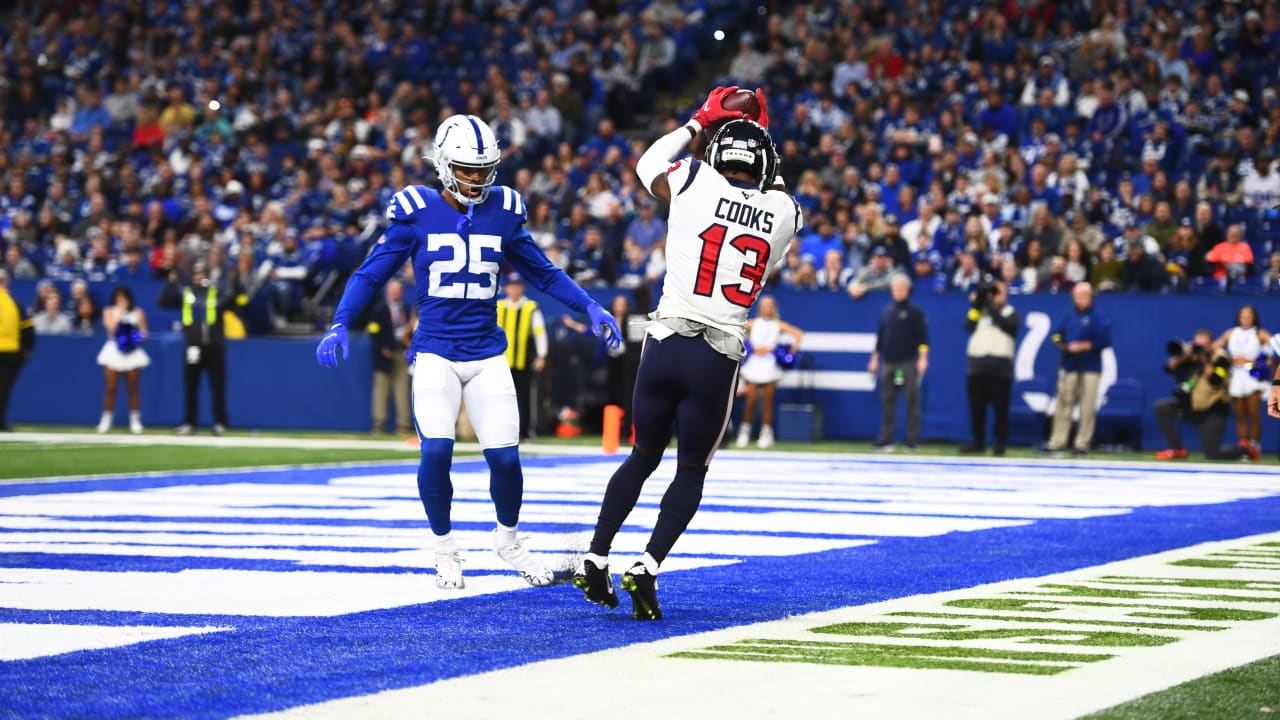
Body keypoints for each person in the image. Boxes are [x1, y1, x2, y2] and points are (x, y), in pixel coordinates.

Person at [315, 113, 622, 590]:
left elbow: (542, 272)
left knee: (506, 459)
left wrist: (590, 306)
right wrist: (339, 322)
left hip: (486, 353)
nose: (477, 179)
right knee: (436, 453)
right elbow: (370, 273)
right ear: (442, 164)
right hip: (436, 351)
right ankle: (445, 549)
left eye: (484, 169)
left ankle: (509, 542)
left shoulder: (505, 209)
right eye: (467, 169)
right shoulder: (415, 209)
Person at [574, 89, 799, 620]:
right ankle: (647, 566)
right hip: (716, 352)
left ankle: (596, 553)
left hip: (666, 340)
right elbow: (774, 203)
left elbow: (647, 164)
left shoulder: (694, 179)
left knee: (641, 454)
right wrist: (762, 135)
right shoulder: (784, 209)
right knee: (692, 468)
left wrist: (700, 121)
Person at [1154, 331, 1257, 461]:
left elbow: (1216, 381)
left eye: (1204, 345)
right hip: (1191, 407)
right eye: (1198, 345)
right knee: (1161, 407)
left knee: (1213, 454)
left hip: (1212, 411)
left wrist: (1206, 362)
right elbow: (1168, 369)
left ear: (1211, 344)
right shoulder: (1191, 357)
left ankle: (1245, 450)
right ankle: (1177, 449)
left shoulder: (1221, 357)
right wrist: (1183, 356)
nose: (1200, 348)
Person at [159, 262, 234, 436]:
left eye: (202, 274)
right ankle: (189, 422)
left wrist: (228, 282)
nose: (199, 277)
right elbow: (163, 301)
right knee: (191, 386)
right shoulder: (186, 293)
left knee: (218, 386)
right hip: (193, 346)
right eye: (196, 274)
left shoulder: (216, 292)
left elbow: (235, 299)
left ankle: (220, 423)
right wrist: (170, 283)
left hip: (215, 346)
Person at [1045, 282, 1112, 456]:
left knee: (1087, 406)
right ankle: (1058, 442)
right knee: (1063, 404)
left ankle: (1082, 443)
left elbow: (1104, 340)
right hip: (1069, 365)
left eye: (1084, 296)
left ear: (1091, 297)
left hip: (1090, 366)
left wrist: (1083, 346)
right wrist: (1061, 342)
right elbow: (1057, 333)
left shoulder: (1099, 316)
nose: (1081, 299)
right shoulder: (1068, 316)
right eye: (1078, 296)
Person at [869, 273, 929, 452]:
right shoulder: (887, 311)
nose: (898, 292)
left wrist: (923, 359)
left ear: (907, 290)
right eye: (895, 289)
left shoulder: (915, 312)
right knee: (887, 401)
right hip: (889, 362)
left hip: (908, 361)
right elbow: (880, 337)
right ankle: (886, 439)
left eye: (901, 289)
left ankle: (912, 440)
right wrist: (875, 358)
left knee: (911, 400)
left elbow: (923, 339)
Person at [735, 295, 804, 449]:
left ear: (774, 308)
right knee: (751, 401)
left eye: (770, 305)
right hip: (754, 364)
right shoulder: (753, 323)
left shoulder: (778, 325)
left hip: (769, 364)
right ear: (760, 307)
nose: (767, 308)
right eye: (765, 305)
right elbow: (737, 329)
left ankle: (766, 433)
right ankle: (744, 432)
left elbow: (798, 334)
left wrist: (792, 350)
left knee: (767, 402)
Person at [962, 278, 1019, 455]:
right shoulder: (979, 312)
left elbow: (1007, 325)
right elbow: (968, 325)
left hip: (1000, 369)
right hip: (977, 367)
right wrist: (978, 304)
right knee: (977, 409)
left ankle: (999, 443)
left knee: (1000, 410)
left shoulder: (1011, 312)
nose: (994, 296)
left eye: (998, 292)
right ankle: (978, 442)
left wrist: (990, 305)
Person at [1212, 305, 1272, 453]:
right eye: (1243, 315)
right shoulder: (1231, 333)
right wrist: (1224, 359)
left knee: (1253, 413)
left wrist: (1259, 364)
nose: (1245, 318)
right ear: (1239, 317)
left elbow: (1275, 350)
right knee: (1240, 414)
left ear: (1254, 317)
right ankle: (1243, 445)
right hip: (1236, 376)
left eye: (1249, 315)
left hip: (1252, 376)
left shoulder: (1259, 333)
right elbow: (1214, 347)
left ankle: (1255, 445)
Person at [496, 272, 547, 441]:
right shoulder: (499, 306)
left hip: (524, 360)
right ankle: (501, 431)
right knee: (500, 398)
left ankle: (525, 431)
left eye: (517, 286)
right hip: (501, 361)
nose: (514, 289)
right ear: (506, 288)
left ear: (522, 288)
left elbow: (539, 332)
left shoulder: (530, 307)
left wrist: (541, 355)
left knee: (525, 397)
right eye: (511, 286)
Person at [95, 286, 151, 434]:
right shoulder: (108, 311)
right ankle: (106, 421)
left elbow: (144, 333)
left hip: (132, 352)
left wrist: (134, 337)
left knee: (133, 389)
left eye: (124, 298)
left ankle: (135, 421)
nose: (121, 301)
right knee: (110, 388)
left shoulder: (138, 312)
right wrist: (120, 313)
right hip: (113, 350)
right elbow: (112, 328)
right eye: (118, 298)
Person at [369, 278, 413, 435]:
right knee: (381, 390)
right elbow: (373, 331)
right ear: (388, 291)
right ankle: (379, 424)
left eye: (398, 290)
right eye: (392, 290)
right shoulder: (379, 308)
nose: (395, 293)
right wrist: (383, 348)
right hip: (384, 355)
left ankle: (403, 424)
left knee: (402, 389)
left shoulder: (405, 308)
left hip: (401, 352)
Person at [0, 269, 36, 431]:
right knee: (4, 388)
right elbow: (28, 330)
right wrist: (26, 350)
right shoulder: (14, 302)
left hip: (9, 351)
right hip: (11, 352)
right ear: (7, 283)